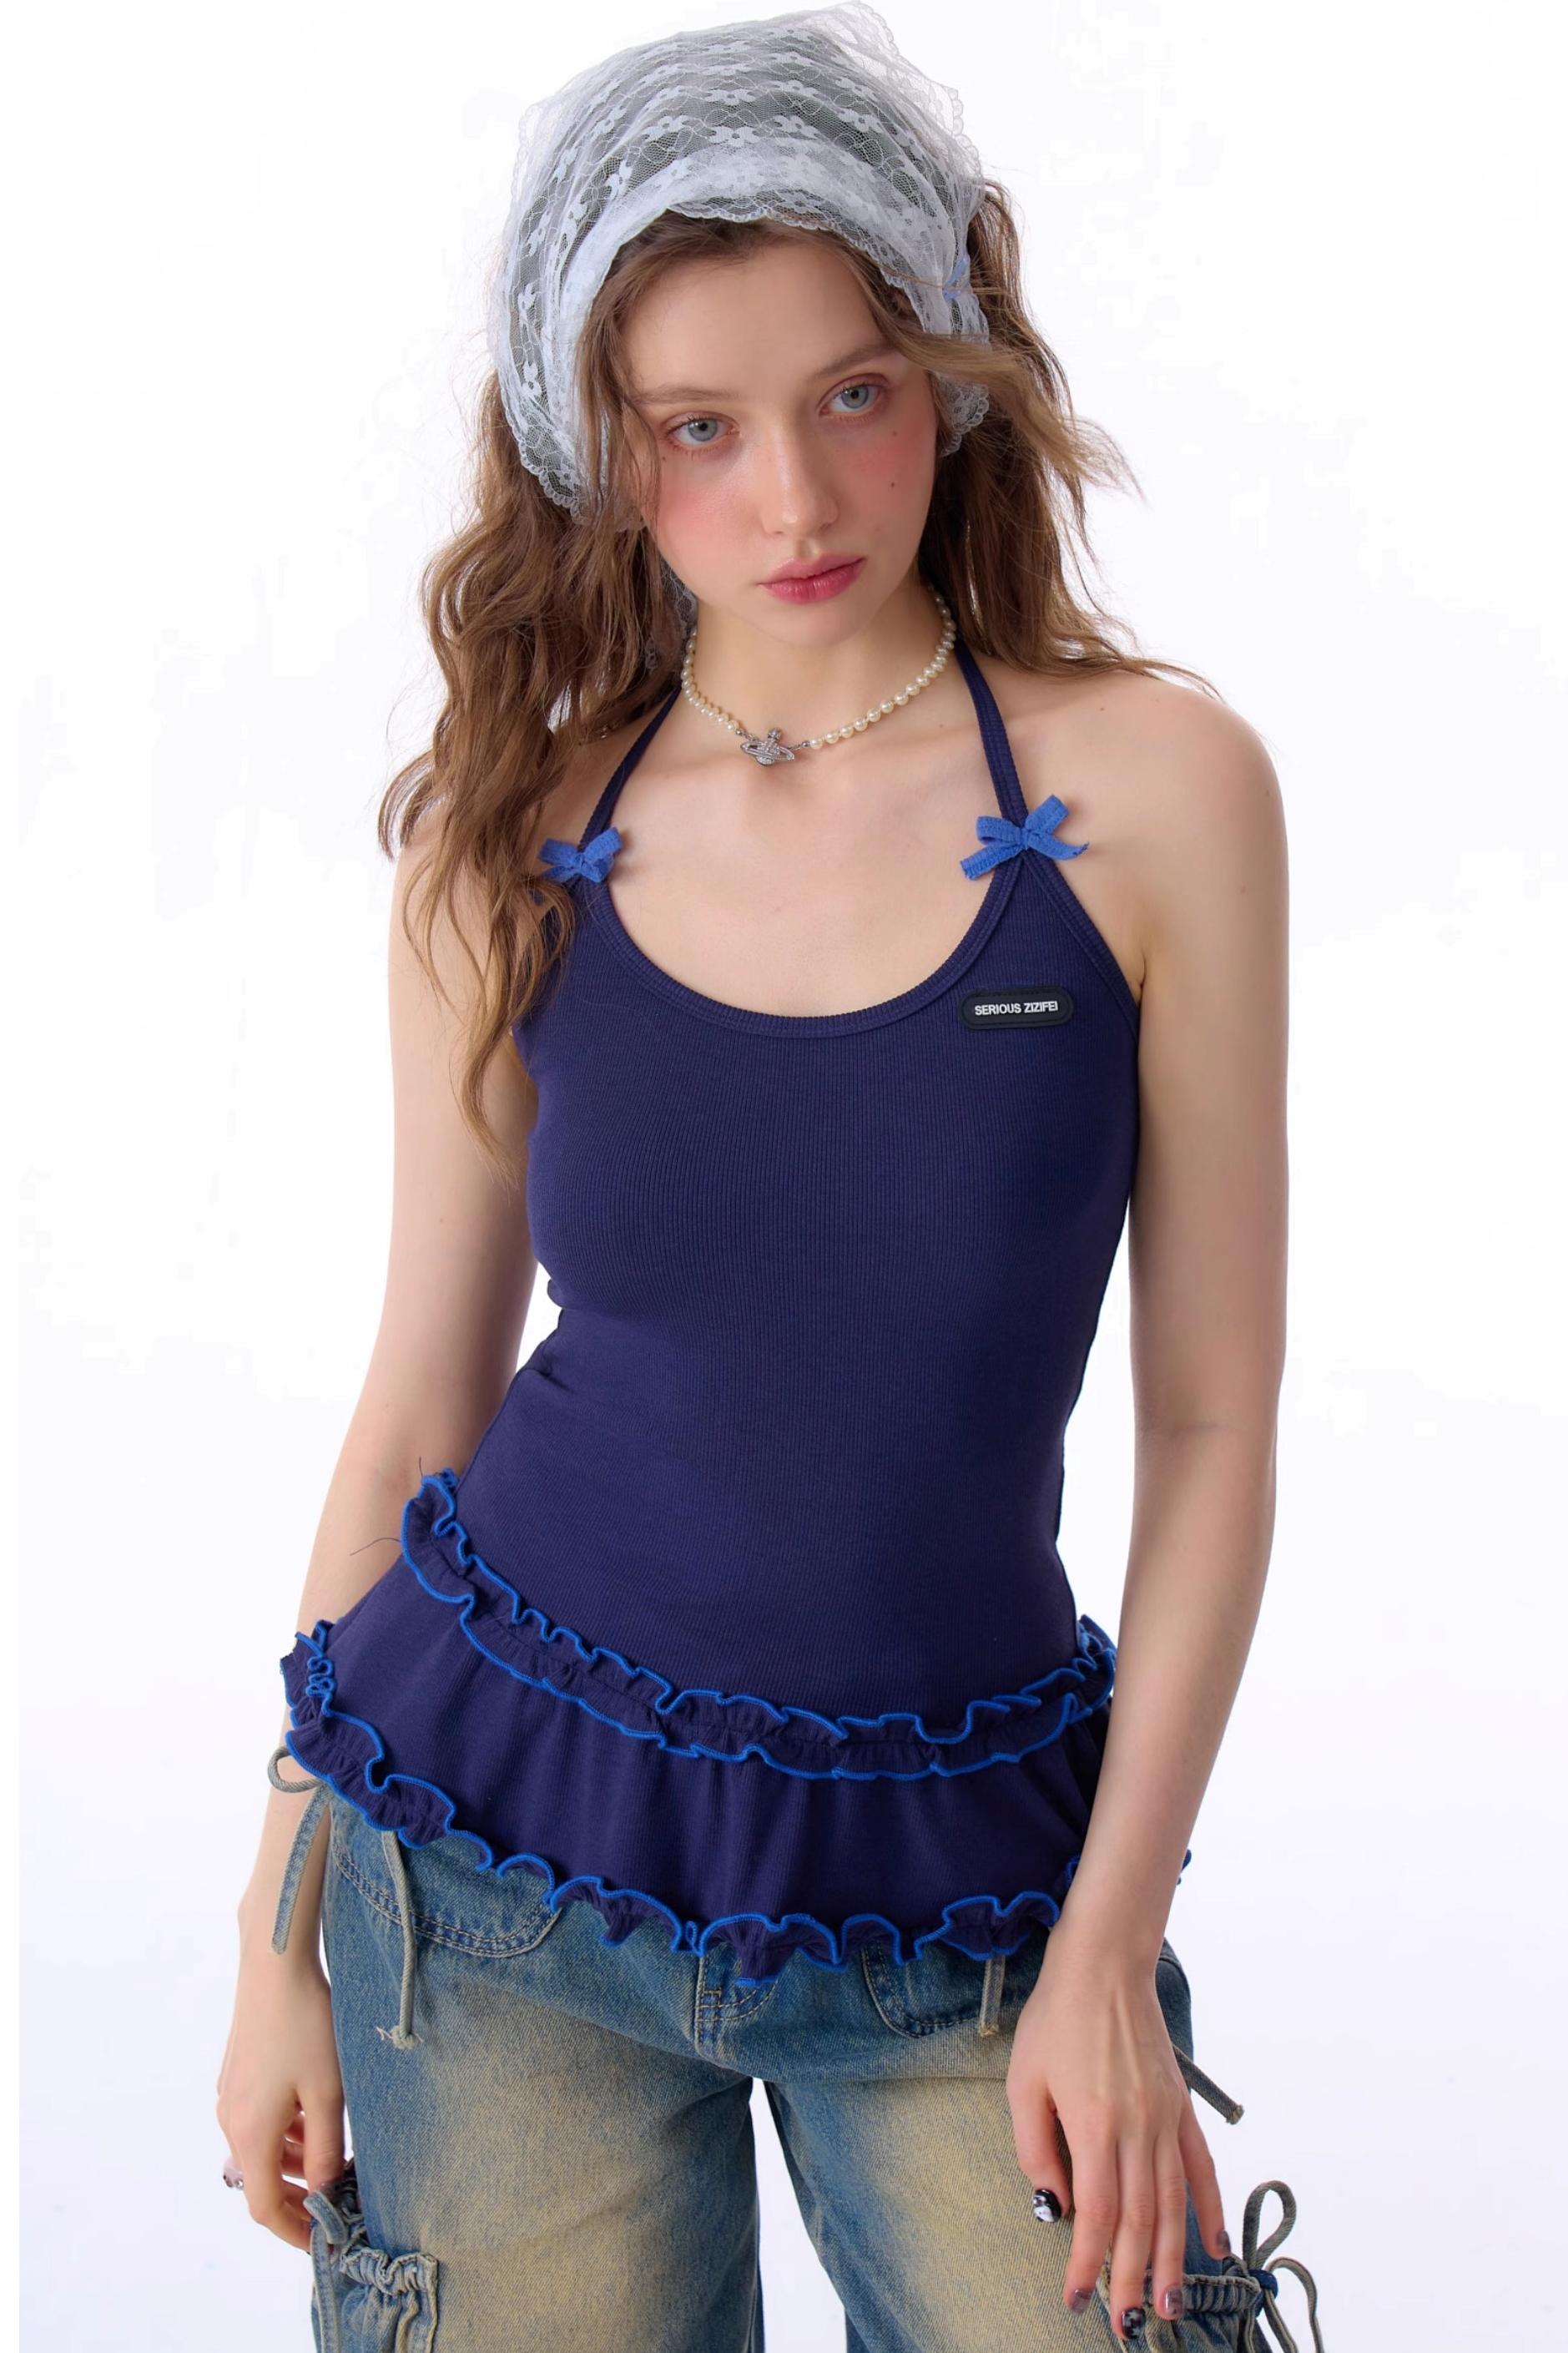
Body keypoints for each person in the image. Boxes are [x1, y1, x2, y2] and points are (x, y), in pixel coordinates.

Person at [215, 7, 1324, 2348]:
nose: (798, 501)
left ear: (952, 375)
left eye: (855, 393)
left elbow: (1215, 1420)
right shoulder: (507, 842)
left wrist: (1111, 1946)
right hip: (488, 1868)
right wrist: (273, 1920)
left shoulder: (1160, 796)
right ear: (590, 450)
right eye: (697, 430)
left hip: (971, 1895)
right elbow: (421, 1397)